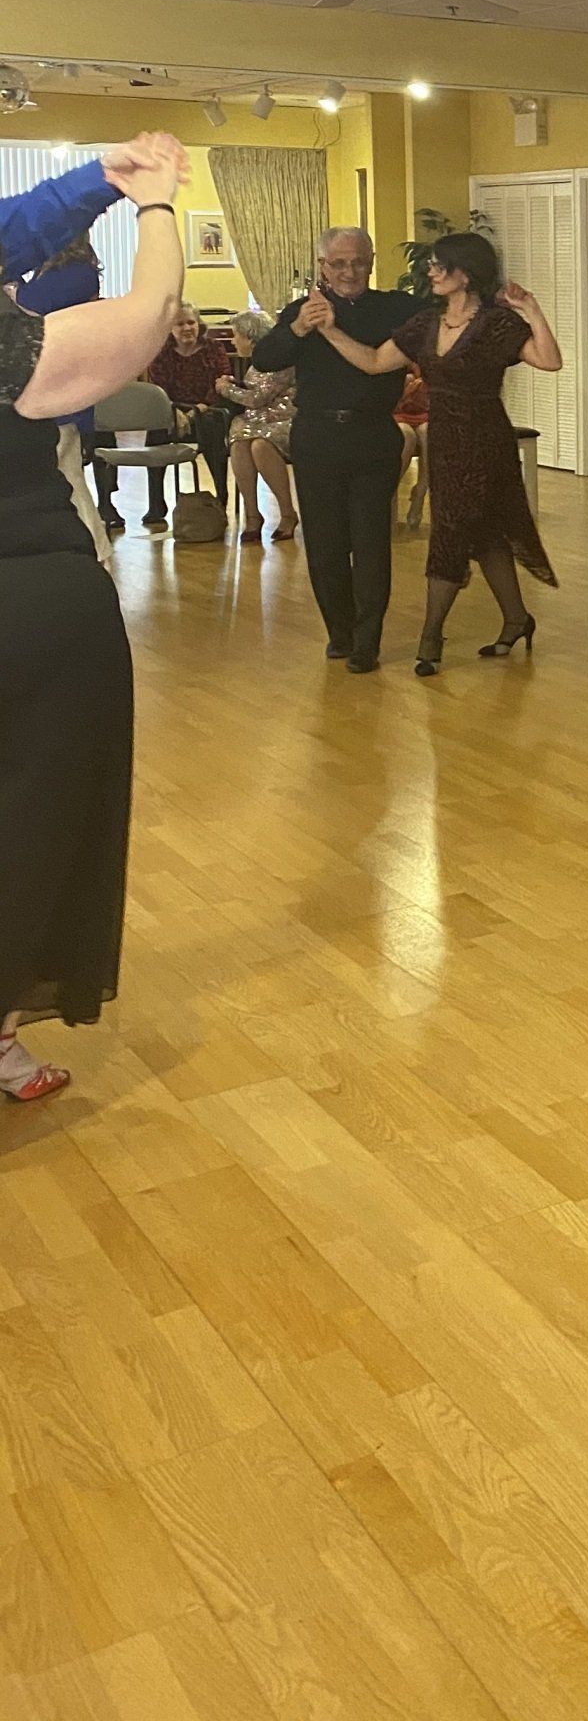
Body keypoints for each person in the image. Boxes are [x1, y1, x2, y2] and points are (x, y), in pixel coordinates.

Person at [0, 138, 187, 1103]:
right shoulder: (19, 356)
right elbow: (151, 312)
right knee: (34, 822)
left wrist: (98, 181)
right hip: (31, 605)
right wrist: (153, 204)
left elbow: (15, 228)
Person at [305, 234, 561, 676]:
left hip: (485, 442)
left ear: (466, 273)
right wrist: (329, 329)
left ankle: (430, 638)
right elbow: (373, 362)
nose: (432, 272)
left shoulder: (497, 323)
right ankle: (517, 619)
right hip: (444, 442)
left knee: (451, 532)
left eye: (441, 266)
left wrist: (532, 311)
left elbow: (549, 360)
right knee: (486, 534)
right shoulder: (425, 323)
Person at [254, 228, 420, 671]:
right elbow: (265, 358)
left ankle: (368, 641)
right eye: (339, 263)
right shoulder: (303, 310)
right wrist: (297, 328)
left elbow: (429, 327)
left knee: (370, 542)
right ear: (322, 267)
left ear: (371, 262)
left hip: (373, 434)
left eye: (358, 262)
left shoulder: (394, 308)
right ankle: (340, 633)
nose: (349, 272)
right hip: (318, 435)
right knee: (324, 544)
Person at [15, 231, 111, 558]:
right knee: (61, 476)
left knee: (68, 477)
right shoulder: (51, 271)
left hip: (63, 387)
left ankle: (96, 551)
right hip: (51, 384)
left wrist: (11, 282)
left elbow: (29, 305)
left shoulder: (76, 273)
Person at [143, 302, 230, 527]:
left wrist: (196, 410)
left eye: (191, 322)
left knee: (210, 427)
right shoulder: (161, 353)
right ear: (170, 328)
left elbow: (222, 382)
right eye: (179, 324)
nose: (187, 328)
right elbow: (159, 389)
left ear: (199, 323)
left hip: (207, 410)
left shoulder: (213, 348)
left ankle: (221, 498)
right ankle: (156, 504)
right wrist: (174, 412)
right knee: (156, 431)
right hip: (172, 411)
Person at [217, 312, 297, 544]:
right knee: (240, 444)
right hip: (258, 420)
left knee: (261, 446)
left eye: (236, 335)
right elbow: (255, 392)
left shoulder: (280, 361)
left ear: (251, 338)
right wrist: (236, 384)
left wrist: (226, 388)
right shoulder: (257, 363)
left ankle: (287, 513)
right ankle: (252, 515)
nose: (233, 341)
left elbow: (257, 398)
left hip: (284, 420)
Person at [394, 363, 430, 529]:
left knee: (429, 434)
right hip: (397, 412)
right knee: (407, 437)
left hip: (424, 412)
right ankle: (391, 488)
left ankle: (420, 491)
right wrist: (406, 390)